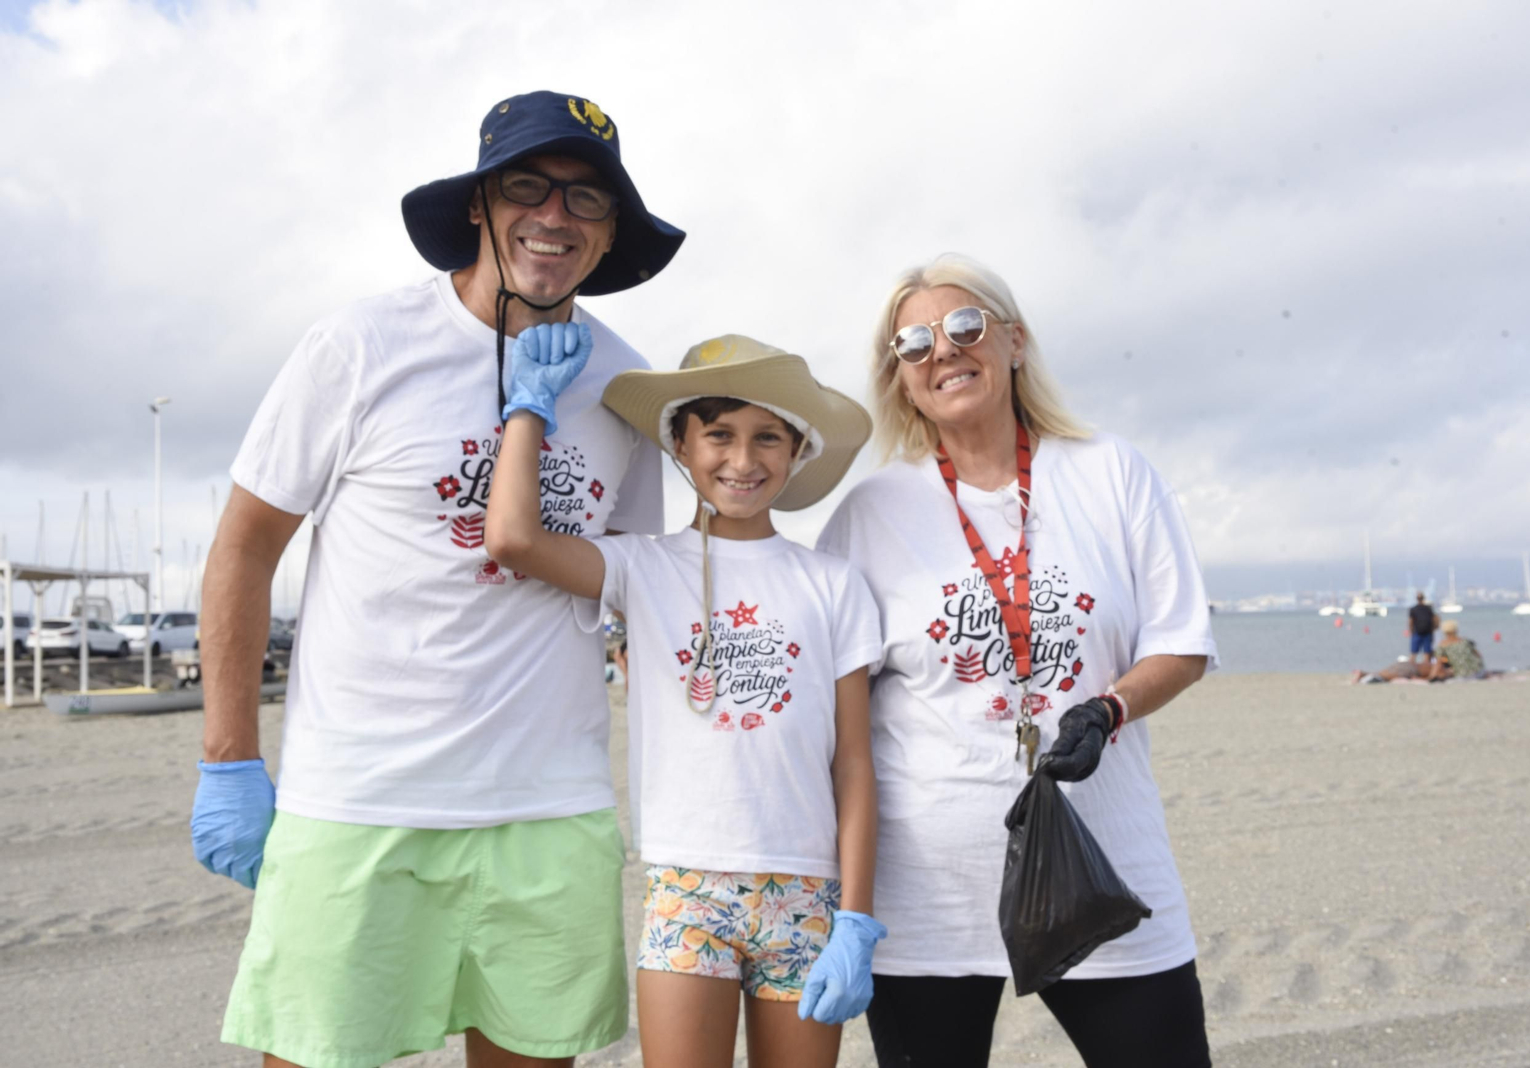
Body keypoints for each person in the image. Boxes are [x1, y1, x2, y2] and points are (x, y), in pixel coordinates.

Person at [190, 91, 683, 1068]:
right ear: (478, 204)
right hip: (358, 803)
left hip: (550, 807)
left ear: (610, 231)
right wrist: (228, 759)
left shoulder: (628, 392)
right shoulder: (361, 346)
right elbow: (246, 546)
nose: (554, 217)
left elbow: (634, 597)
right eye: (528, 187)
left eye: (587, 200)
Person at [817, 255, 1217, 1068]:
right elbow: (833, 700)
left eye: (965, 327)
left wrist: (1107, 711)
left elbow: (1180, 643)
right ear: (898, 376)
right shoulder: (871, 511)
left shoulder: (1110, 471)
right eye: (914, 342)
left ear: (1014, 342)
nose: (943, 351)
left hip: (1104, 867)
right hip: (926, 889)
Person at [484, 333, 883, 1068]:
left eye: (769, 437)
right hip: (685, 885)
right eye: (719, 434)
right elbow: (511, 539)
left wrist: (855, 917)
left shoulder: (833, 585)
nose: (743, 459)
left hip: (807, 891)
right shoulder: (641, 566)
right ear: (678, 443)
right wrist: (527, 409)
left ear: (797, 452)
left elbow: (854, 764)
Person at [1408, 592, 1438, 665]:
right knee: (1427, 653)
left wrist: (1411, 630)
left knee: (1413, 653)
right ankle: (1426, 667)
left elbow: (1411, 621)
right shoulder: (1428, 608)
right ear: (1423, 598)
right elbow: (1435, 619)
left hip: (1417, 632)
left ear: (1417, 599)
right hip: (1427, 632)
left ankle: (1412, 667)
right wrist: (1433, 628)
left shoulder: (1413, 609)